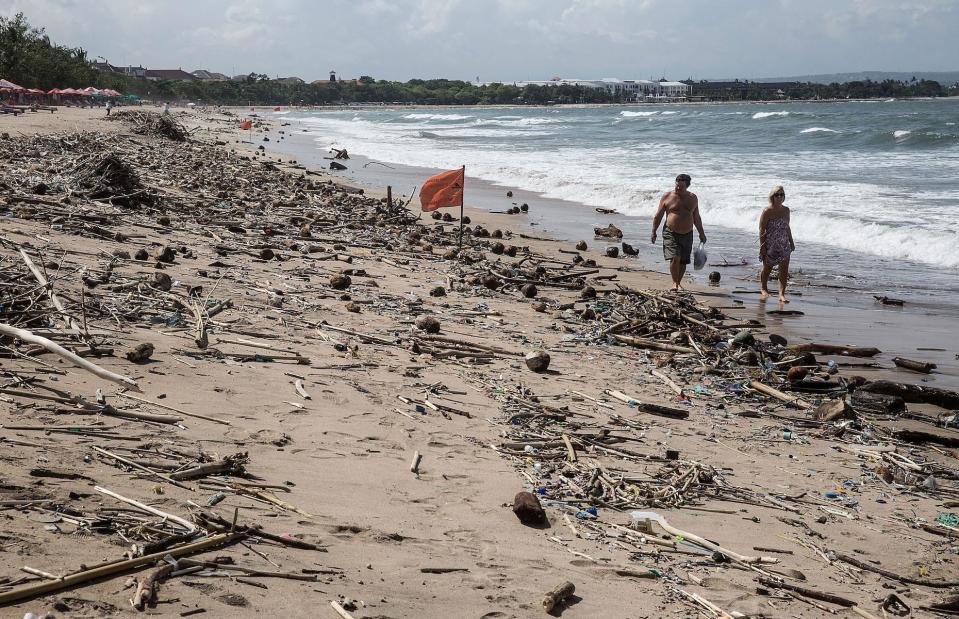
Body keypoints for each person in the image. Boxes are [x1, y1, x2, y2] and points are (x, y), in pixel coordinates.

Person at [650, 173, 707, 292]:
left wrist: (702, 233)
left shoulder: (693, 198)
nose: (677, 188)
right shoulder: (667, 197)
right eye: (676, 185)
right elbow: (658, 216)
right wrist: (653, 231)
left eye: (680, 187)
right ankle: (674, 283)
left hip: (688, 233)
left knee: (683, 261)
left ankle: (678, 283)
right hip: (671, 232)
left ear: (687, 186)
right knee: (675, 258)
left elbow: (697, 218)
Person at [759, 185, 795, 303]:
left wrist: (791, 242)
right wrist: (762, 247)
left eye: (781, 194)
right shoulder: (767, 211)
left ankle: (781, 294)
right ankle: (764, 288)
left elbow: (787, 227)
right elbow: (761, 230)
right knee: (767, 268)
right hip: (770, 245)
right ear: (772, 197)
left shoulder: (786, 210)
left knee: (784, 270)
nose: (779, 197)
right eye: (777, 195)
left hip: (784, 244)